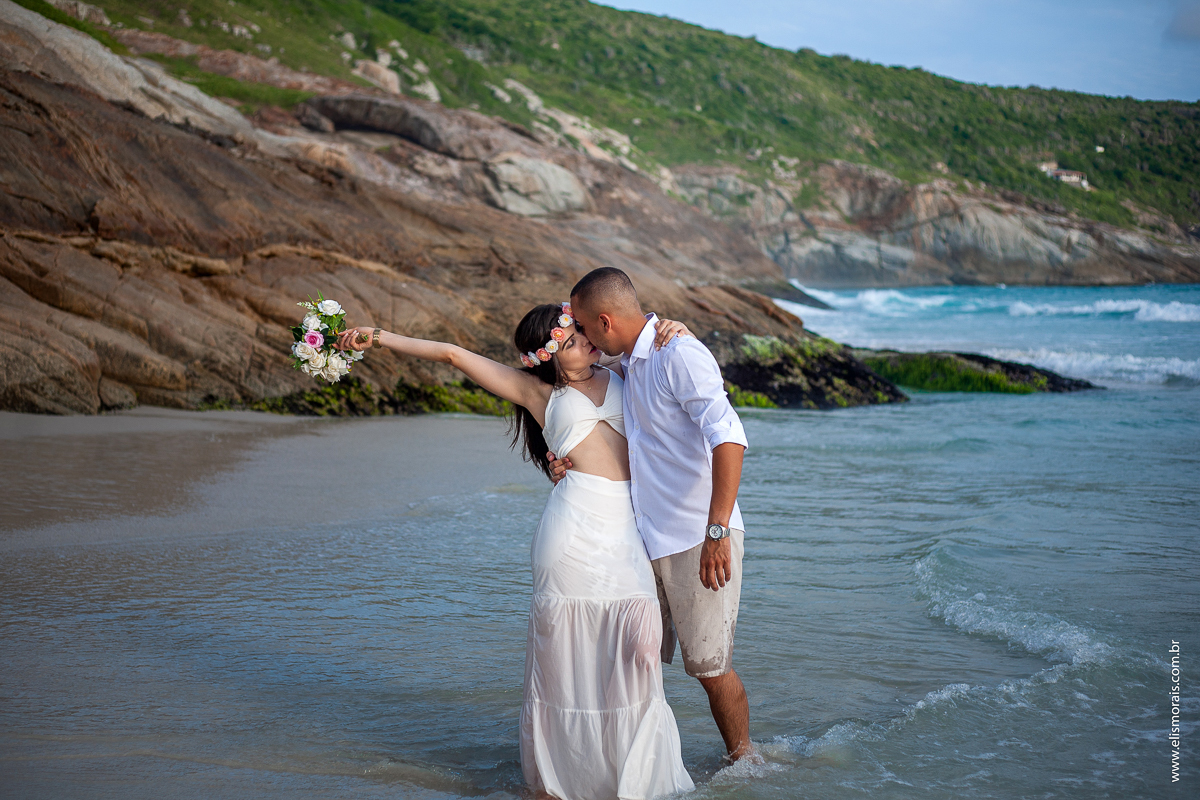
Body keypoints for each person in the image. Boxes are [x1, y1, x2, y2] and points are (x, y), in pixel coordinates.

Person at [335, 307, 696, 800]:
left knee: (640, 648)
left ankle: (630, 778)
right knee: (565, 658)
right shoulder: (538, 394)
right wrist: (373, 337)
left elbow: (657, 347)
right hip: (571, 537)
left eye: (581, 333)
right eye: (570, 342)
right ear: (547, 360)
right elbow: (451, 354)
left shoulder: (625, 372)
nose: (585, 343)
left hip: (626, 535)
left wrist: (675, 328)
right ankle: (560, 781)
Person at [549, 267, 756, 762]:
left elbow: (729, 436)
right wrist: (565, 462)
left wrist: (716, 531)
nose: (581, 337)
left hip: (697, 537)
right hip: (643, 541)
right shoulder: (627, 367)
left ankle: (746, 762)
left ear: (603, 321)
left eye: (581, 327)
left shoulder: (676, 354)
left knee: (709, 666)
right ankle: (634, 761)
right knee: (633, 657)